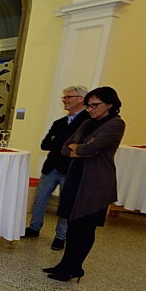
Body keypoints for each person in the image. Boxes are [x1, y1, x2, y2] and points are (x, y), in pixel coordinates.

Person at [43, 86, 125, 282]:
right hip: (76, 178)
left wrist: (81, 148)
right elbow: (65, 147)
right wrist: (81, 148)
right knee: (72, 224)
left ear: (110, 104)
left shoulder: (115, 124)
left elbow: (92, 148)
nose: (90, 109)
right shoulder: (87, 123)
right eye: (88, 106)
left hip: (95, 182)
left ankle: (75, 267)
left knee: (85, 226)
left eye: (95, 105)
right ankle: (65, 264)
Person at [24, 85, 89, 250]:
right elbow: (45, 144)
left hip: (70, 169)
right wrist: (64, 144)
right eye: (64, 97)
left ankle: (61, 236)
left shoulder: (87, 122)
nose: (64, 100)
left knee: (66, 204)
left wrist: (58, 141)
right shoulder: (59, 122)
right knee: (39, 199)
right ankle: (34, 227)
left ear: (80, 99)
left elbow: (80, 146)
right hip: (51, 167)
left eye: (68, 97)